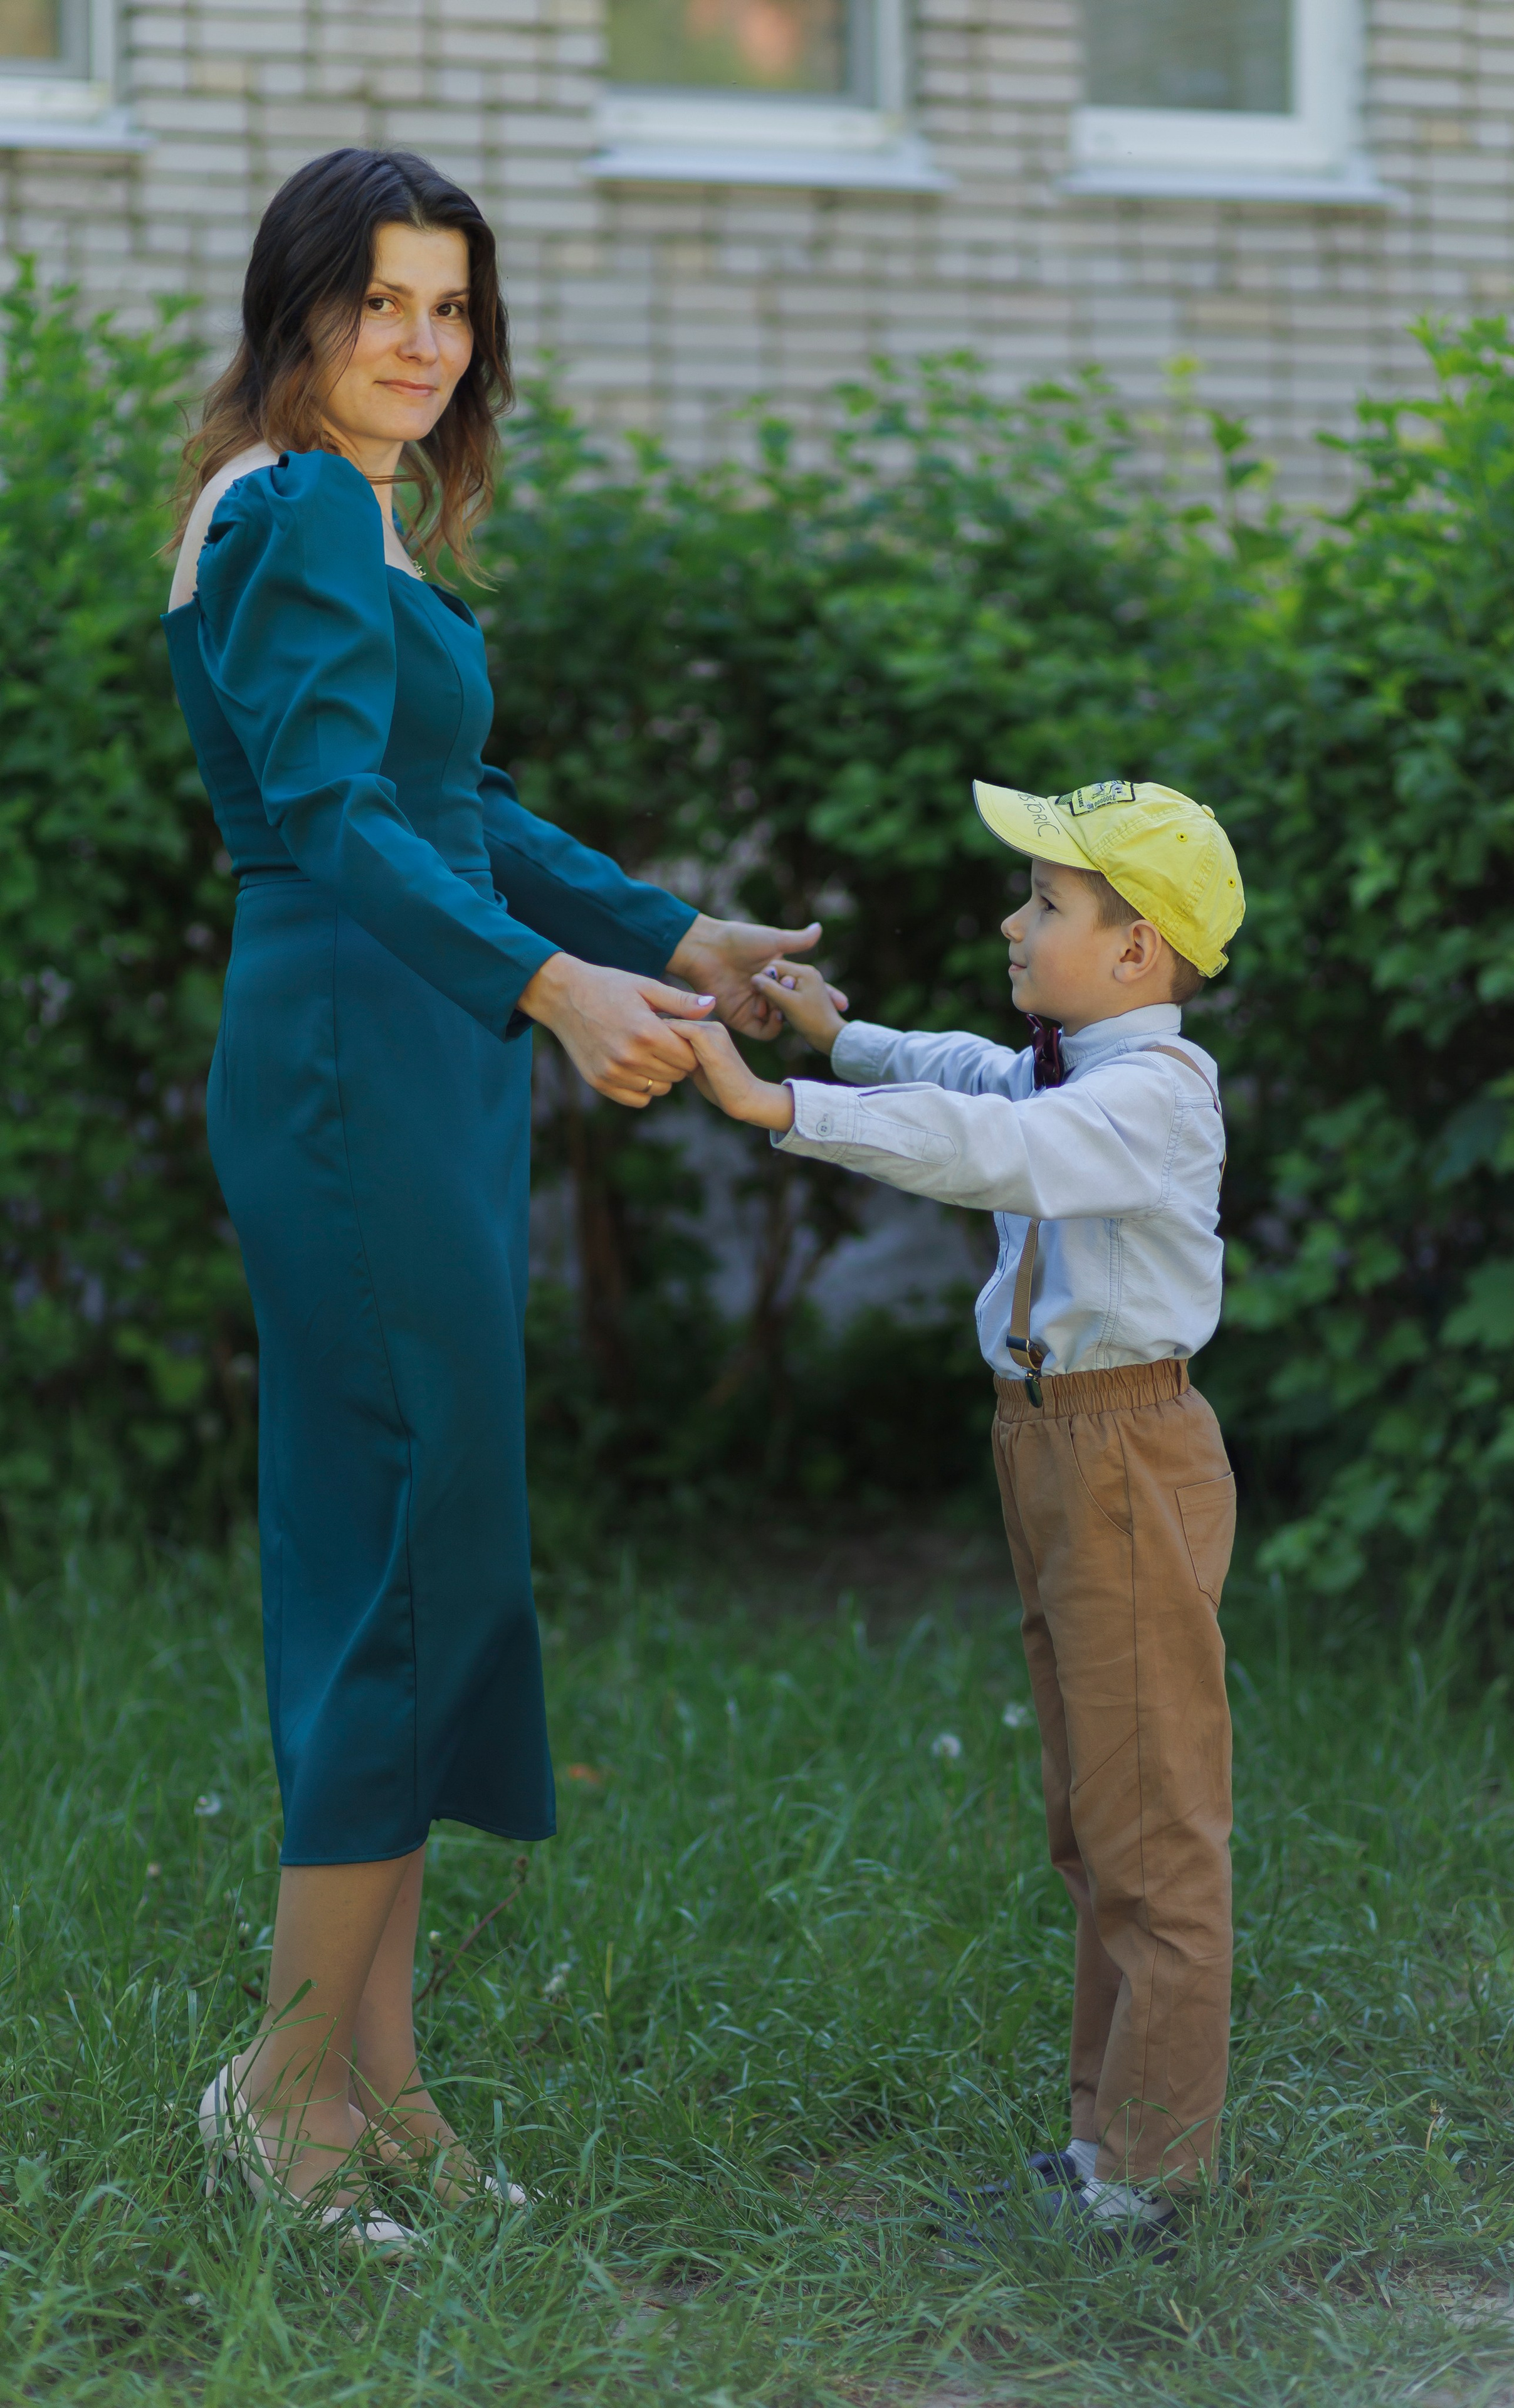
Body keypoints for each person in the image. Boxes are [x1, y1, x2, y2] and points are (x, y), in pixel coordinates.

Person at [164, 146, 836, 2249]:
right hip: (362, 1040)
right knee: (388, 1546)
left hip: (416, 1033)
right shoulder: (285, 506)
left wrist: (680, 931)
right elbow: (342, 820)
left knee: (435, 1536)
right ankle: (281, 2091)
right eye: (380, 300)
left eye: (450, 306)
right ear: (299, 315)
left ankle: (385, 2084)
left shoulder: (361, 520)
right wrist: (553, 989)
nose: (420, 341)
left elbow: (465, 803)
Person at [682, 776, 1244, 2247]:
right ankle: (1099, 2144)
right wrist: (842, 1037)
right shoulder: (1068, 1069)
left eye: (1045, 903)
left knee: (1154, 1831)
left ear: (1135, 953)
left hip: (1123, 1454)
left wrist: (783, 1106)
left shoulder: (1144, 1104)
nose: (1013, 918)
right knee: (1091, 1820)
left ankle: (1152, 2176)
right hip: (1055, 1448)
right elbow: (976, 1082)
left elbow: (986, 1148)